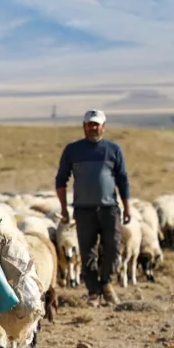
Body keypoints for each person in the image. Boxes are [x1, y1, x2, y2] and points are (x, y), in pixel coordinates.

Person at [55, 109, 131, 306]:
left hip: (109, 208)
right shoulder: (73, 150)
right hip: (83, 209)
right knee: (87, 252)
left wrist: (127, 207)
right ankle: (93, 292)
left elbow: (123, 180)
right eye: (89, 124)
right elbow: (61, 180)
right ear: (84, 127)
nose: (93, 128)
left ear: (103, 127)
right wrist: (63, 209)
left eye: (96, 124)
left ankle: (106, 283)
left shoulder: (113, 150)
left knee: (113, 249)